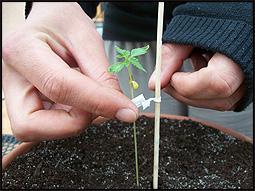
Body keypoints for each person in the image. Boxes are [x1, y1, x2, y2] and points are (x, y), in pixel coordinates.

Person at [2, 2, 253, 142]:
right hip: (129, 31)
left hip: (235, 39)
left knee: (228, 142)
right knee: (137, 137)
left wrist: (244, 14)